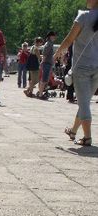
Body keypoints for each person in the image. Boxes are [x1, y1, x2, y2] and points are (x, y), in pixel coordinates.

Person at [54, 0, 98, 146]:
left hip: (82, 67)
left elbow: (69, 39)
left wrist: (58, 52)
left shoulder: (83, 16)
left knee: (84, 103)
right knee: (85, 101)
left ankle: (87, 137)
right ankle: (73, 131)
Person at [37, 31, 58, 99]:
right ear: (50, 36)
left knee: (44, 79)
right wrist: (42, 61)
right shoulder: (49, 44)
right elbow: (45, 53)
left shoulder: (49, 43)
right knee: (44, 79)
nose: (55, 37)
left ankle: (40, 92)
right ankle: (40, 94)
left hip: (47, 63)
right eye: (54, 35)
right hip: (46, 63)